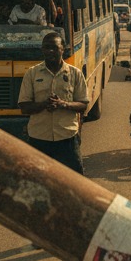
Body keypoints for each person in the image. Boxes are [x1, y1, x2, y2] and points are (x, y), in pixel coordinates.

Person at [17, 31, 89, 175]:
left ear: (63, 49)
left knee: (74, 181)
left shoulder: (75, 74)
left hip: (67, 138)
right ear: (42, 49)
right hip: (39, 138)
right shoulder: (32, 73)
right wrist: (44, 104)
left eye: (54, 48)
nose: (50, 51)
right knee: (38, 181)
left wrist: (63, 104)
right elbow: (24, 107)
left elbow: (83, 105)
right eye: (46, 47)